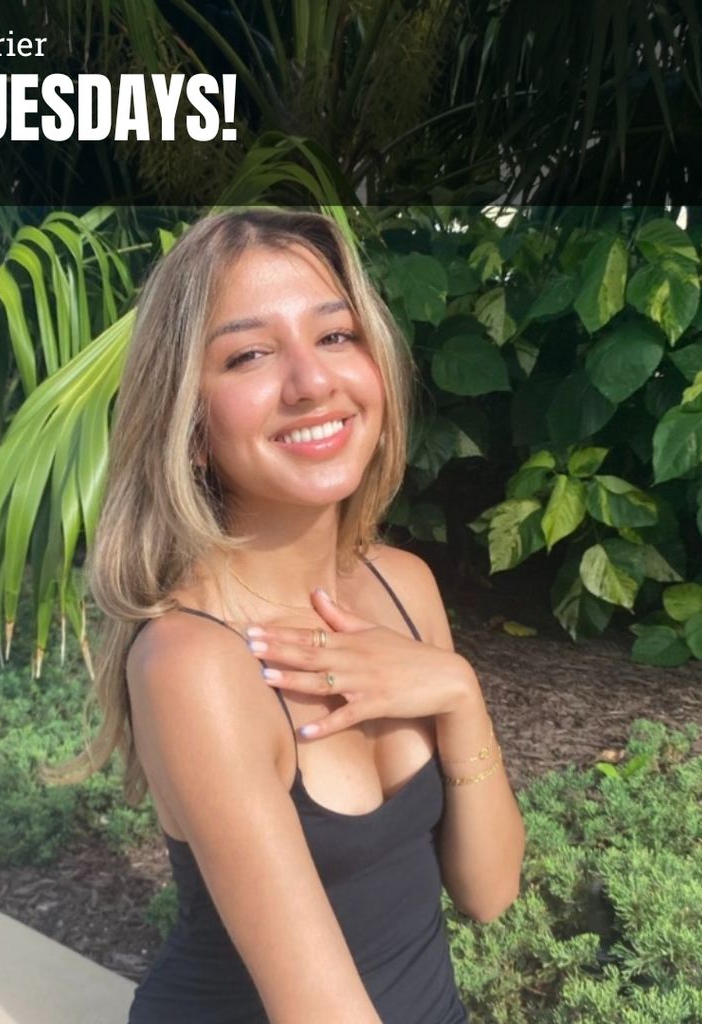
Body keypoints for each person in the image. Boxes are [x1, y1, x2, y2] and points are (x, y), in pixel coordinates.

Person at [56, 209, 525, 1023]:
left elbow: (488, 892)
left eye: (336, 336)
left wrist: (458, 689)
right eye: (249, 354)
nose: (312, 382)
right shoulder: (193, 664)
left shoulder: (404, 586)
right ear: (190, 426)